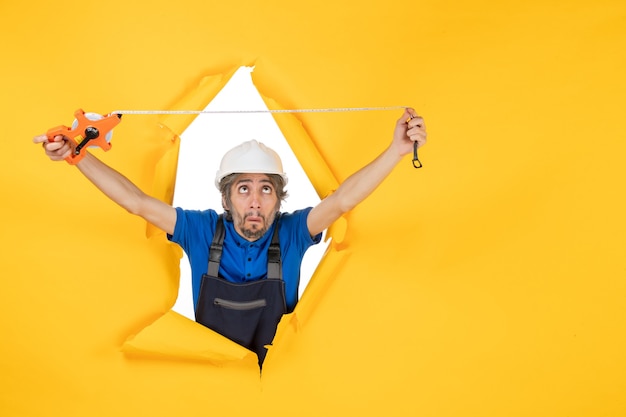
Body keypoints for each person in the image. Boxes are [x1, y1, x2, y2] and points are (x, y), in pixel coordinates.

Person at [33, 108, 427, 366]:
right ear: (225, 196)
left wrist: (396, 150)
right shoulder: (201, 230)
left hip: (279, 386)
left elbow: (342, 200)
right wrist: (77, 155)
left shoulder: (292, 233)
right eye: (243, 188)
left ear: (279, 197)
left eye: (266, 189)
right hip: (212, 387)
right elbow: (135, 202)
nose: (255, 201)